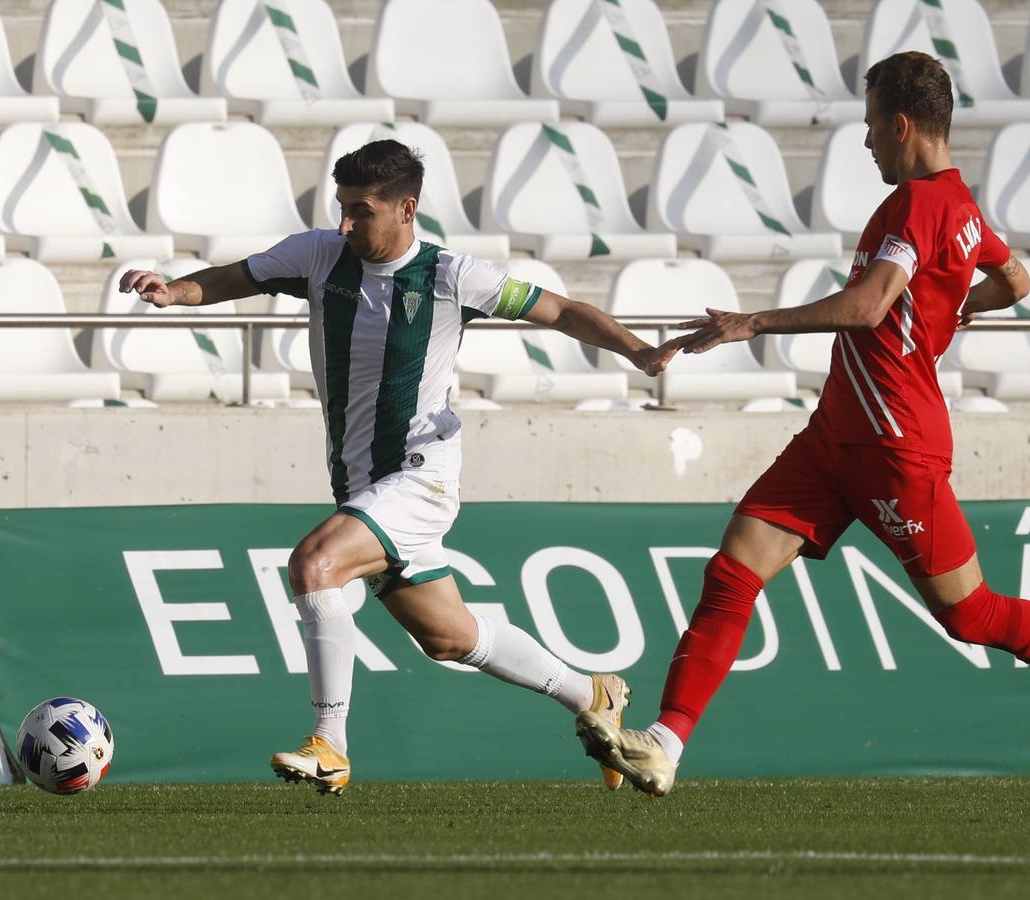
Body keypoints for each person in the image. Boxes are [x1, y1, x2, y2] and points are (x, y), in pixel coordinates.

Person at [574, 51, 1030, 797]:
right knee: (732, 571)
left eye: (869, 129)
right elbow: (1014, 280)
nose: (865, 145)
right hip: (834, 438)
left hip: (896, 443)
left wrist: (749, 322)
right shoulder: (962, 208)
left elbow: (866, 307)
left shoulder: (921, 205)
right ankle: (665, 743)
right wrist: (951, 305)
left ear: (901, 126)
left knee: (971, 614)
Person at [119, 140, 676, 795]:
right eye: (342, 209)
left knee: (314, 565)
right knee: (448, 637)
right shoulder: (319, 254)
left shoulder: (451, 276)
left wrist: (636, 349)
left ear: (406, 209)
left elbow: (558, 310)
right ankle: (592, 692)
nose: (346, 224)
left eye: (361, 212)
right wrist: (175, 291)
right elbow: (233, 278)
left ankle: (331, 742)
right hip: (360, 483)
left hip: (421, 476)